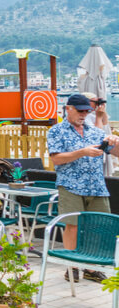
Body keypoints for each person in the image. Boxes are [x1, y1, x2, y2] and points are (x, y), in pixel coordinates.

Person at [47, 93, 119, 283]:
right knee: (72, 226)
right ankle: (72, 267)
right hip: (71, 184)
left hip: (96, 185)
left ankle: (91, 267)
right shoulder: (56, 131)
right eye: (80, 111)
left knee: (99, 226)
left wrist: (114, 141)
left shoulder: (95, 131)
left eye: (87, 111)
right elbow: (56, 159)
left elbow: (116, 153)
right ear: (68, 109)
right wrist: (82, 152)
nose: (83, 114)